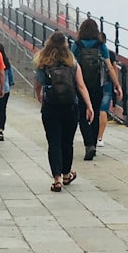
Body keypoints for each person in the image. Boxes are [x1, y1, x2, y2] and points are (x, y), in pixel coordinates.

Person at [33, 31, 94, 192]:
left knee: (53, 142)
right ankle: (66, 174)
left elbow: (38, 84)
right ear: (66, 45)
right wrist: (89, 105)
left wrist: (40, 96)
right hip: (70, 106)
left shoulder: (43, 61)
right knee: (67, 142)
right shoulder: (72, 62)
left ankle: (57, 179)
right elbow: (80, 85)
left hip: (51, 107)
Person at [71, 19, 121, 160]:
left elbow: (70, 64)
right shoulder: (101, 46)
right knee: (96, 114)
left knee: (82, 115)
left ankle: (88, 144)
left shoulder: (77, 45)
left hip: (81, 86)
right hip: (97, 85)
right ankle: (93, 142)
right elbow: (110, 67)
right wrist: (117, 85)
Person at [98, 32, 118, 146]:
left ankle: (91, 136)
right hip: (107, 84)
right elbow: (113, 68)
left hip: (93, 84)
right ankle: (100, 138)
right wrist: (117, 84)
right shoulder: (110, 53)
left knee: (93, 109)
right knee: (103, 110)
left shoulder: (92, 52)